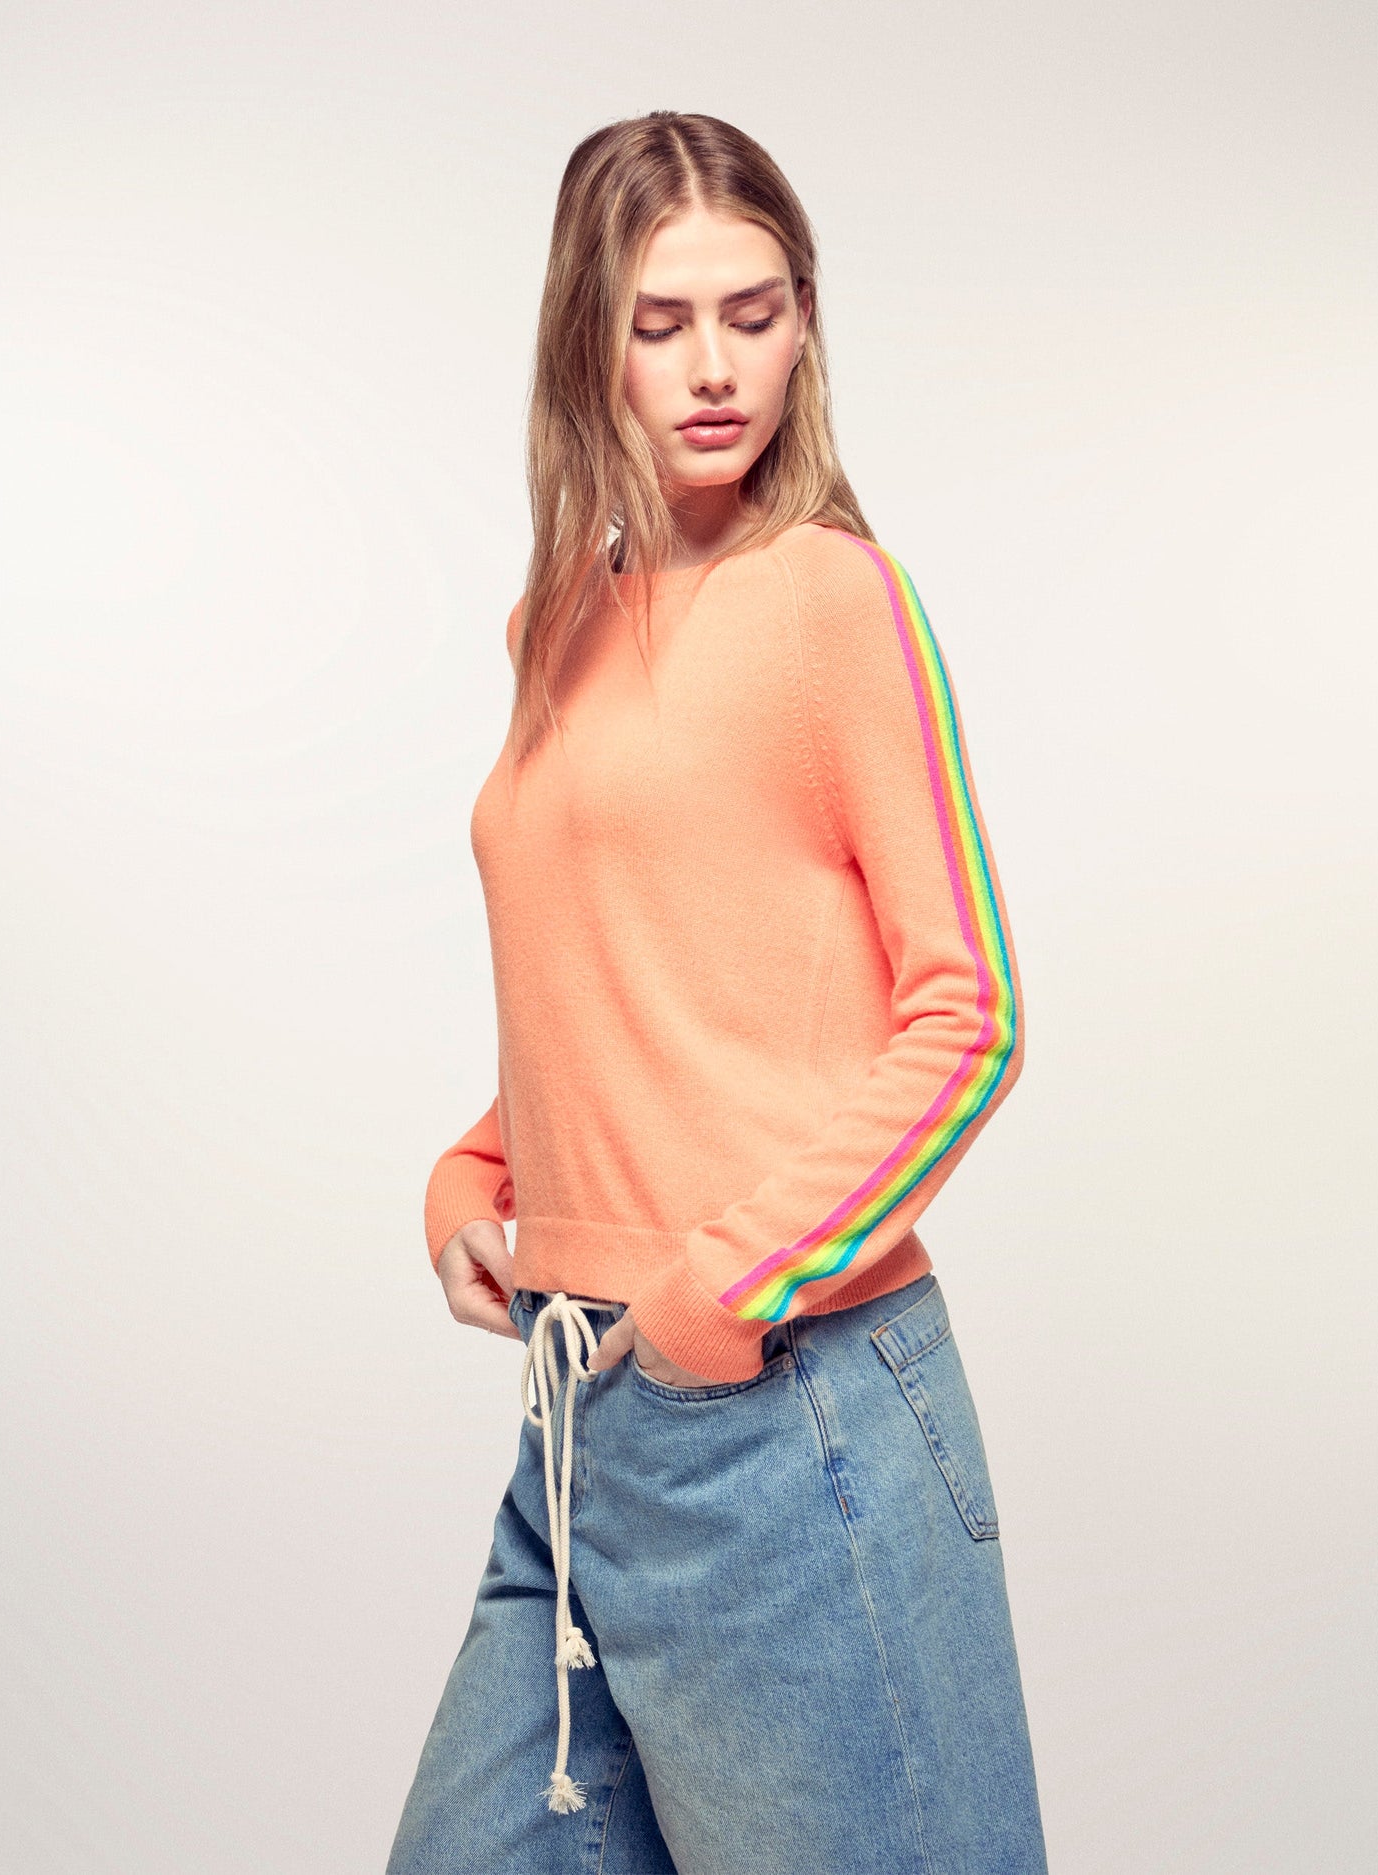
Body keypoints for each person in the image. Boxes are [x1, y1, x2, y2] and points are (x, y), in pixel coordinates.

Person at [386, 110, 1048, 1875]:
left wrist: (721, 1293)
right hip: (579, 1422)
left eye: (752, 315)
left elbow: (968, 1013)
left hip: (785, 1412)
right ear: (585, 339)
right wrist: (481, 1172)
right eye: (659, 322)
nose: (711, 369)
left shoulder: (834, 601)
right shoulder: (555, 628)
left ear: (804, 322)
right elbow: (634, 982)